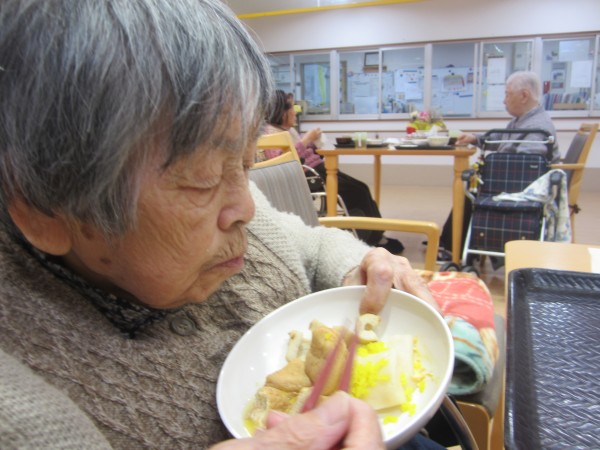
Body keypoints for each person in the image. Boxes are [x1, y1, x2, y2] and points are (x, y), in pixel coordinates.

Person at [0, 1, 442, 449]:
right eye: (202, 177)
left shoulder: (236, 205)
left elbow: (308, 245)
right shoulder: (21, 415)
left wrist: (359, 269)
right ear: (46, 209)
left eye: (246, 162)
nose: (246, 207)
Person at [437, 70, 559, 262]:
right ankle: (451, 243)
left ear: (524, 95)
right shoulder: (523, 120)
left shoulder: (538, 127)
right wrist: (474, 138)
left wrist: (487, 170)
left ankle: (453, 247)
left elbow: (526, 166)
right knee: (468, 188)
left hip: (520, 186)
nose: (504, 100)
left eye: (507, 94)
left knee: (467, 190)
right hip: (513, 180)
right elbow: (500, 138)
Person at [263, 90, 405, 254]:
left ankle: (376, 235)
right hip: (310, 176)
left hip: (318, 169)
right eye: (292, 108)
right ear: (281, 111)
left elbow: (304, 152)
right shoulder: (271, 133)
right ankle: (372, 238)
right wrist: (306, 140)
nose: (295, 112)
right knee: (357, 192)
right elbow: (282, 161)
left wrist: (313, 143)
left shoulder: (288, 130)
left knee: (362, 188)